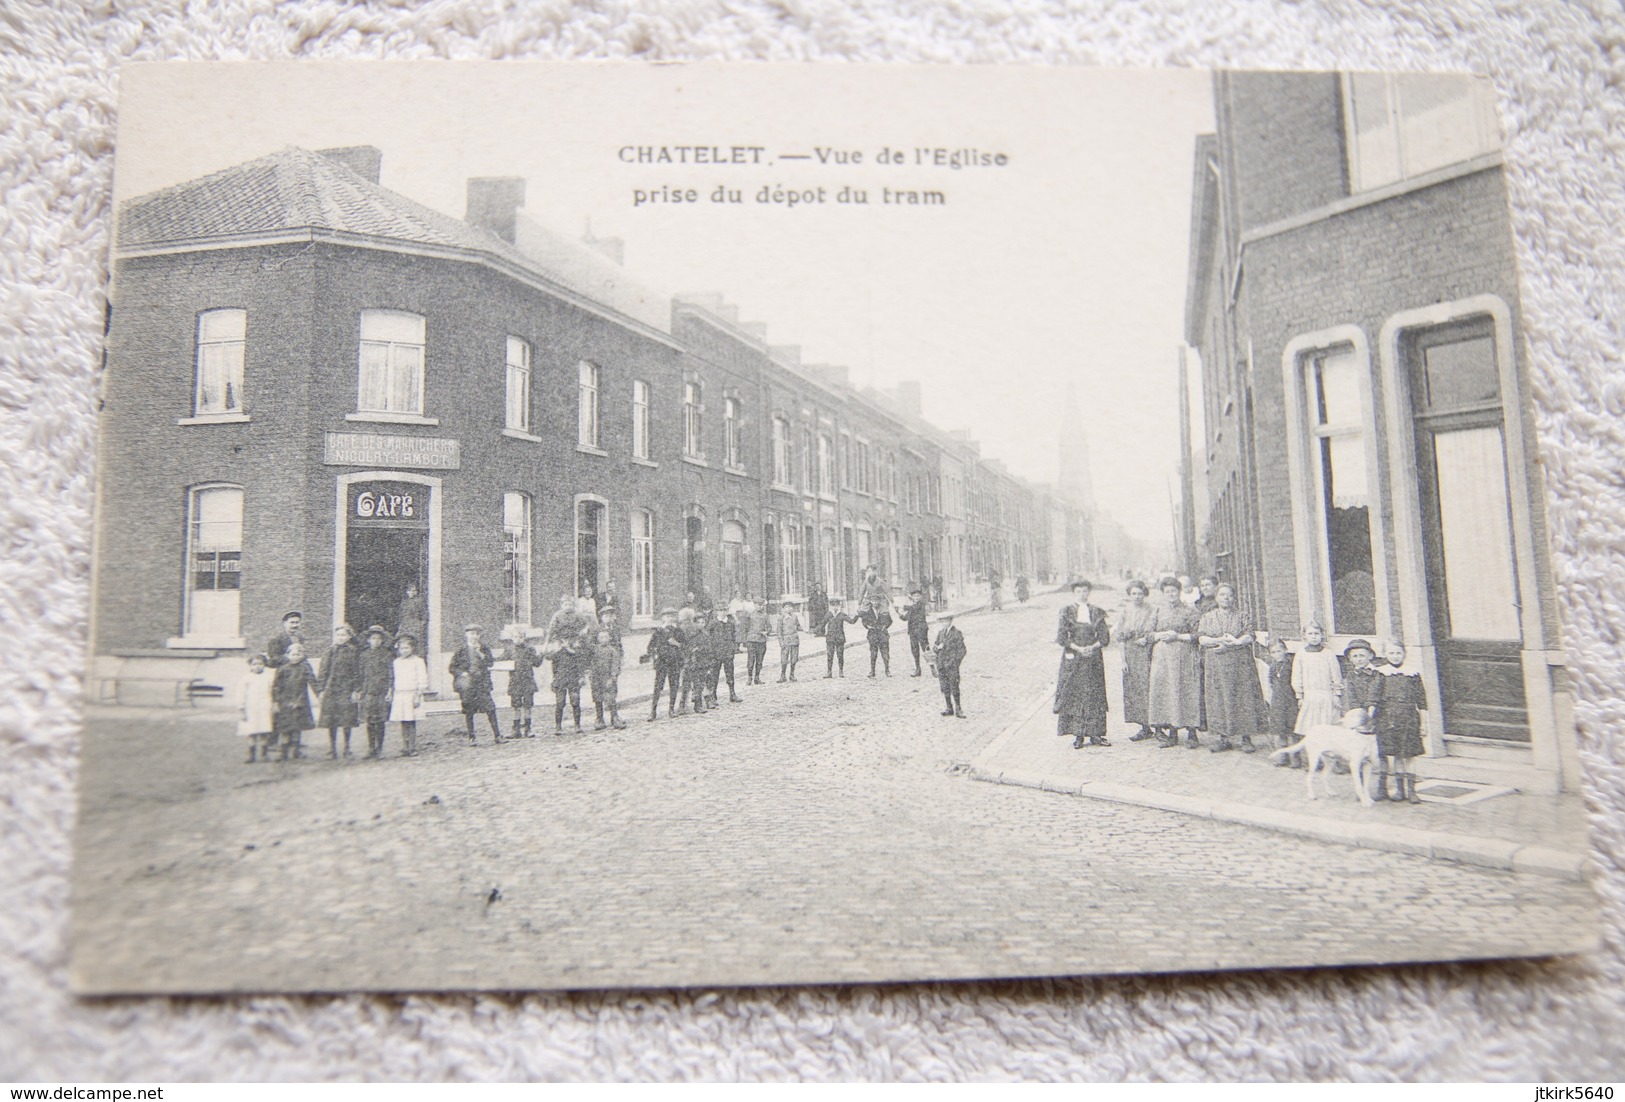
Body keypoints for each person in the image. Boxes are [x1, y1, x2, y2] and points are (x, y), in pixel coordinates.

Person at [1197, 583, 1266, 753]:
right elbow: (1201, 638)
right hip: (1217, 664)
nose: (1226, 598)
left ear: (1234, 598)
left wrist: (1235, 642)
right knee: (1219, 698)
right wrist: (1218, 640)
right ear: (1216, 597)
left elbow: (1249, 636)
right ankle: (1223, 737)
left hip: (1240, 663)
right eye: (1222, 595)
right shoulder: (1208, 617)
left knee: (1243, 697)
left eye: (1229, 595)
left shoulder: (1242, 616)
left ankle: (1246, 737)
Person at [1148, 575, 1203, 749]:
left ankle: (1192, 733)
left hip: (1184, 654)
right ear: (1163, 594)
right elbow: (1148, 633)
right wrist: (1159, 635)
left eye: (1174, 591)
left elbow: (1198, 634)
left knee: (1187, 690)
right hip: (1163, 656)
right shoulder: (1158, 611)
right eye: (1167, 591)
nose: (1171, 594)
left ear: (1179, 592)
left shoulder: (1190, 610)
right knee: (1169, 691)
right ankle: (1172, 733)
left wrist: (1177, 636)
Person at [1055, 579, 1111, 748]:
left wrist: (1092, 647)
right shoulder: (1066, 612)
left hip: (1093, 658)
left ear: (1089, 592)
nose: (1082, 594)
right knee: (1076, 694)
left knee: (1095, 693)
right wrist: (1078, 648)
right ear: (1074, 593)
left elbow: (1104, 637)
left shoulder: (1097, 612)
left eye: (1085, 591)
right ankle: (1078, 735)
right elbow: (1062, 637)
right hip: (1074, 658)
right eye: (1079, 591)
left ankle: (1096, 734)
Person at [1376, 640, 1427, 804]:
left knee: (1409, 755)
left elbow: (1422, 700)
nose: (1395, 656)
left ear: (1404, 654)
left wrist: (1424, 723)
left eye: (1398, 653)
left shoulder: (1412, 674)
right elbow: (1376, 698)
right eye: (1391, 653)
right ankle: (1400, 790)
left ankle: (1412, 791)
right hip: (1390, 718)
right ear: (1385, 655)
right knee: (1397, 755)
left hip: (1409, 718)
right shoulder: (1382, 673)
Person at [1290, 622, 1343, 760]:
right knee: (1310, 729)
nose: (1313, 637)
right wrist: (1299, 695)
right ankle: (1313, 760)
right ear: (1304, 636)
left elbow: (1335, 674)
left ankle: (1331, 760)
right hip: (1310, 696)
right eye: (1310, 634)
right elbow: (1297, 676)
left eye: (1316, 634)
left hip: (1326, 696)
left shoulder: (1328, 654)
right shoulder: (1301, 654)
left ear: (1322, 635)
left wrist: (1336, 694)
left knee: (1328, 728)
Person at [1116, 580, 1156, 742]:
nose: (1137, 596)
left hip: (1148, 652)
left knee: (1150, 687)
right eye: (1134, 594)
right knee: (1135, 689)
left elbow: (1154, 630)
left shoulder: (1152, 610)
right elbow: (1120, 637)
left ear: (1144, 594)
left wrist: (1147, 639)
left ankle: (1158, 725)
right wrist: (1123, 660)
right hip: (1131, 654)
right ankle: (1144, 727)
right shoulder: (1125, 611)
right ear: (1129, 595)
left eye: (1140, 593)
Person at [449, 624, 503, 744]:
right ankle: (471, 737)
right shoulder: (461, 651)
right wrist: (462, 673)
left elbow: (490, 663)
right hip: (468, 685)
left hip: (482, 684)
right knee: (469, 711)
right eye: (472, 634)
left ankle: (498, 736)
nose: (474, 637)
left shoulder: (484, 648)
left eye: (477, 634)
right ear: (466, 634)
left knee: (491, 709)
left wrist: (481, 654)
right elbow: (452, 667)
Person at [316, 623, 362, 759]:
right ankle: (332, 749)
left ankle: (347, 748)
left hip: (347, 689)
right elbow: (322, 672)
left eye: (344, 635)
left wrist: (356, 690)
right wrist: (321, 690)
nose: (340, 638)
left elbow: (357, 672)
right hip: (332, 690)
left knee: (347, 720)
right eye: (338, 635)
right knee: (332, 720)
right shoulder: (329, 651)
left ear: (349, 637)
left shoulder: (354, 652)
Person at [271, 641, 318, 761]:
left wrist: (319, 693)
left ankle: (295, 751)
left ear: (302, 656)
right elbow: (276, 686)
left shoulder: (304, 668)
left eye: (298, 654)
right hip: (285, 702)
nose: (295, 657)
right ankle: (283, 752)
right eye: (293, 654)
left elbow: (312, 681)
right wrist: (276, 701)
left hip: (300, 701)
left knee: (297, 727)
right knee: (285, 728)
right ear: (287, 655)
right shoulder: (282, 669)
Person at [389, 634, 429, 757]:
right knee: (403, 721)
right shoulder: (396, 662)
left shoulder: (418, 661)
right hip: (400, 694)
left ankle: (412, 747)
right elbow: (394, 678)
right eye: (402, 648)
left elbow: (422, 678)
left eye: (407, 648)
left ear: (412, 648)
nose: (404, 650)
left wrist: (419, 694)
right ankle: (405, 747)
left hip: (412, 694)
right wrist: (391, 692)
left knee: (411, 721)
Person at [358, 625, 394, 759]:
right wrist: (359, 690)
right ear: (368, 640)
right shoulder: (363, 655)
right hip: (368, 691)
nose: (376, 641)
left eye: (379, 638)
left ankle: (379, 749)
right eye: (373, 638)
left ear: (382, 640)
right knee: (369, 720)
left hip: (382, 691)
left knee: (380, 721)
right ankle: (371, 748)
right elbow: (360, 674)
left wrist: (390, 690)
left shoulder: (387, 655)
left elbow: (391, 674)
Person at [642, 608, 684, 720]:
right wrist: (655, 655)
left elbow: (685, 646)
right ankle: (653, 711)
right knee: (658, 687)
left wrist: (676, 643)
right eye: (667, 616)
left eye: (672, 616)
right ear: (662, 618)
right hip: (662, 662)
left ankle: (671, 709)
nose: (670, 618)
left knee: (674, 685)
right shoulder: (658, 631)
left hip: (674, 662)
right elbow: (650, 647)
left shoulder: (678, 631)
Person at [1264, 636, 1299, 766]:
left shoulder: (1291, 665)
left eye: (1279, 651)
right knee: (1280, 730)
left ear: (1285, 650)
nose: (1277, 654)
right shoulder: (1272, 667)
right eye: (1273, 652)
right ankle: (1283, 757)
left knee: (1293, 729)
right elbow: (1272, 683)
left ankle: (1296, 758)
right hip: (1278, 701)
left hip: (1291, 700)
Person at [238, 652, 275, 764]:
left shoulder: (268, 678)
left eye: (260, 664)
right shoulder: (246, 679)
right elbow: (241, 694)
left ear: (264, 665)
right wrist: (241, 709)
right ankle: (251, 755)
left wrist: (274, 705)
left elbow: (273, 692)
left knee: (264, 731)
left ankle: (263, 754)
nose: (257, 666)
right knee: (251, 732)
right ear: (250, 665)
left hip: (264, 708)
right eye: (254, 664)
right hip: (251, 709)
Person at [550, 627, 588, 735]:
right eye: (563, 639)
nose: (566, 641)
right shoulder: (558, 652)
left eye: (568, 639)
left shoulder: (576, 651)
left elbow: (580, 662)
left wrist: (581, 677)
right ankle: (558, 726)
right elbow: (552, 661)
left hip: (573, 679)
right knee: (559, 703)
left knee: (575, 702)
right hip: (560, 680)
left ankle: (577, 725)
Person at [589, 627, 627, 730]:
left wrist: (613, 677)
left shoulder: (612, 651)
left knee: (611, 698)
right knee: (597, 698)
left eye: (605, 636)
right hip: (597, 678)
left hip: (608, 678)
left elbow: (615, 665)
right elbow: (589, 661)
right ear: (597, 638)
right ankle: (599, 719)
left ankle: (614, 718)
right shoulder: (594, 650)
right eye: (601, 637)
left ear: (609, 638)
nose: (603, 639)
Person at [507, 633, 542, 739]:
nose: (518, 639)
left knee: (527, 706)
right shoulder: (509, 650)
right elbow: (501, 660)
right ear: (512, 638)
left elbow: (537, 663)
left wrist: (541, 655)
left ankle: (528, 729)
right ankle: (516, 730)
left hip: (527, 681)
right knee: (516, 706)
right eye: (516, 637)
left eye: (521, 637)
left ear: (524, 638)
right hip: (515, 682)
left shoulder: (530, 649)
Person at [933, 613, 967, 717]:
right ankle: (949, 707)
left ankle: (958, 708)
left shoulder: (956, 633)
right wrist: (937, 648)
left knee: (954, 686)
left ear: (951, 620)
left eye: (946, 621)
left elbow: (962, 650)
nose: (944, 623)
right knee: (944, 686)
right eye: (942, 621)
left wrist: (955, 662)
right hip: (942, 664)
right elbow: (934, 647)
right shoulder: (940, 633)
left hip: (951, 665)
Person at [678, 608, 711, 714]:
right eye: (698, 622)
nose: (701, 624)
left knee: (698, 685)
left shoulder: (705, 635)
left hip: (700, 662)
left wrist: (700, 650)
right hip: (689, 662)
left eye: (703, 622)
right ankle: (682, 706)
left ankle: (698, 705)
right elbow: (683, 646)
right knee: (686, 684)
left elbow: (708, 648)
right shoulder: (687, 634)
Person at [707, 605, 742, 705]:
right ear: (716, 612)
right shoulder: (713, 624)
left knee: (730, 674)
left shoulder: (730, 624)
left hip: (728, 653)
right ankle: (713, 696)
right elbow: (708, 638)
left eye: (724, 610)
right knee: (714, 675)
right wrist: (711, 652)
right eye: (720, 610)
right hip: (716, 653)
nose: (722, 612)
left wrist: (732, 649)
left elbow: (733, 637)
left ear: (727, 611)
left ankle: (732, 694)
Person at [823, 598, 858, 678]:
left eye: (837, 605)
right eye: (833, 605)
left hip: (840, 638)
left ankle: (841, 671)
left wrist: (857, 615)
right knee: (829, 655)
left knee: (840, 655)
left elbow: (851, 621)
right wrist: (815, 631)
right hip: (830, 638)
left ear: (839, 606)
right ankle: (829, 672)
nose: (835, 607)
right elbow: (822, 624)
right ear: (830, 606)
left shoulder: (842, 615)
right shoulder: (828, 614)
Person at [902, 588, 932, 677]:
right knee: (915, 651)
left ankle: (933, 668)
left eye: (918, 596)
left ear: (921, 597)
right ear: (912, 597)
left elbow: (914, 608)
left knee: (926, 649)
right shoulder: (912, 606)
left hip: (921, 630)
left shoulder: (921, 605)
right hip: (912, 631)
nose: (916, 597)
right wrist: (898, 612)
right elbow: (905, 618)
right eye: (914, 596)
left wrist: (904, 606)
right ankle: (917, 669)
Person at [742, 601, 770, 685]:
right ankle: (749, 677)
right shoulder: (749, 615)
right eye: (758, 604)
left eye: (761, 605)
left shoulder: (765, 615)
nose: (760, 606)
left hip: (761, 640)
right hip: (751, 640)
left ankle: (757, 678)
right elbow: (745, 628)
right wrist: (745, 640)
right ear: (754, 605)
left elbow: (769, 627)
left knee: (760, 660)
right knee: (751, 660)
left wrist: (766, 632)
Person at [863, 601, 893, 677]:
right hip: (873, 635)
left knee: (885, 654)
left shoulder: (884, 610)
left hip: (883, 635)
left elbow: (890, 621)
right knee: (873, 654)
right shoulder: (868, 611)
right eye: (873, 600)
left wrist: (885, 627)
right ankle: (872, 671)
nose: (875, 602)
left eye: (876, 600)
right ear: (870, 601)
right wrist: (868, 627)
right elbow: (864, 621)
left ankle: (887, 671)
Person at [776, 599, 802, 682]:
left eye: (790, 607)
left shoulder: (795, 617)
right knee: (784, 659)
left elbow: (798, 626)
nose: (789, 609)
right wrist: (781, 642)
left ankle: (792, 674)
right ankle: (783, 675)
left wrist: (802, 628)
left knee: (794, 658)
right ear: (783, 609)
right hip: (785, 640)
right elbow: (779, 631)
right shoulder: (781, 618)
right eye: (786, 607)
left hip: (794, 640)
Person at [396, 583, 427, 651]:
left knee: (416, 643)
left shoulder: (419, 601)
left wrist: (420, 625)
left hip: (415, 626)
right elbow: (401, 615)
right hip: (405, 625)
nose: (412, 592)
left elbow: (424, 616)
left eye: (414, 591)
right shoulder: (404, 602)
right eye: (410, 590)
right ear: (407, 592)